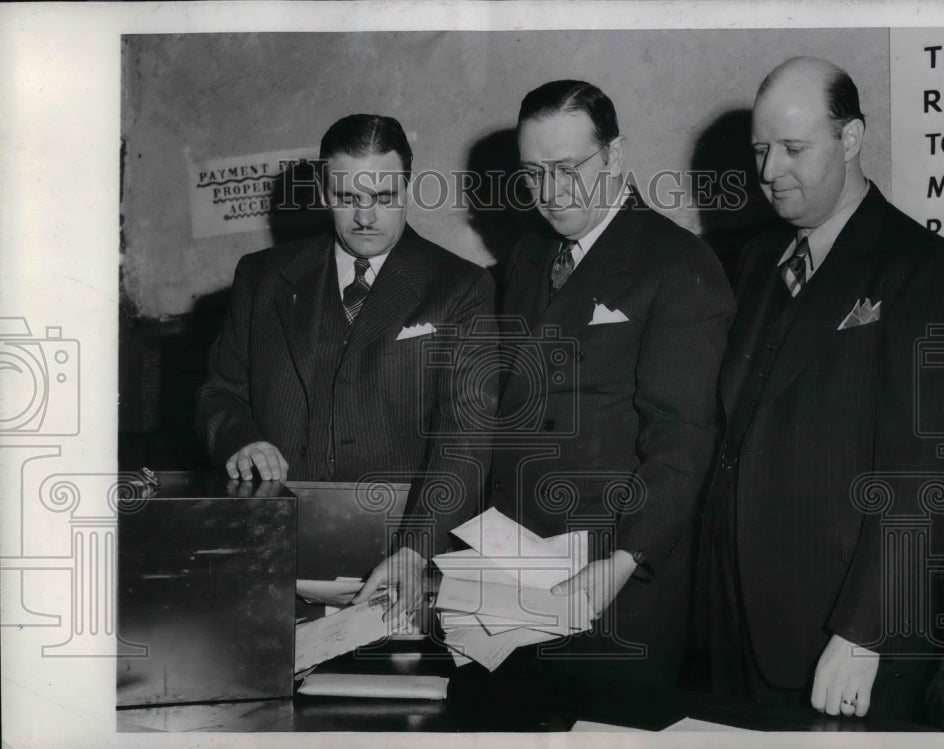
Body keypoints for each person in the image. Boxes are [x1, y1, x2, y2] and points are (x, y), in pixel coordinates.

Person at [449, 80, 734, 722]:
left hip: (612, 584)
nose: (551, 192)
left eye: (567, 169)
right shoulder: (529, 255)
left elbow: (682, 443)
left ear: (616, 155)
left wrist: (623, 561)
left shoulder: (679, 265)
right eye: (533, 174)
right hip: (507, 577)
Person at [699, 57, 944, 723]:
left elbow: (926, 472)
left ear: (851, 139)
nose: (770, 170)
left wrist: (863, 631)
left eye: (793, 148)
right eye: (760, 150)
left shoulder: (928, 270)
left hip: (844, 637)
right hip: (736, 625)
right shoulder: (756, 261)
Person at [196, 114, 497, 624]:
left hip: (403, 549)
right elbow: (219, 393)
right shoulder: (262, 276)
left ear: (408, 189)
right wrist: (240, 439)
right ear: (322, 192)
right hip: (274, 544)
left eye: (383, 196)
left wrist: (416, 548)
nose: (365, 217)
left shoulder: (460, 287)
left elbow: (465, 436)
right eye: (348, 197)